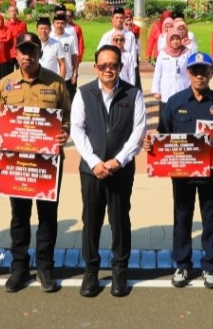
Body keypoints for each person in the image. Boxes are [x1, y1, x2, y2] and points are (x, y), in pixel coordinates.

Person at [0, 32, 72, 294]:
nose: (27, 55)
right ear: (15, 53)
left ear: (39, 53)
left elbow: (68, 119)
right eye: (22, 50)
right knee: (19, 217)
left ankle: (45, 267)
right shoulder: (5, 84)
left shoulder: (56, 84)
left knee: (47, 217)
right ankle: (19, 267)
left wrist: (64, 133)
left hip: (47, 165)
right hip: (15, 164)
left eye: (32, 50)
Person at [149, 51, 213, 289]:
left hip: (212, 174)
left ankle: (210, 265)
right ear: (188, 73)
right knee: (182, 218)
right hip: (182, 174)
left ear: (210, 73)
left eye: (204, 70)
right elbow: (163, 135)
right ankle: (182, 264)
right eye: (194, 71)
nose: (199, 75)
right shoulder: (175, 102)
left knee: (211, 218)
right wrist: (152, 144)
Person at [71, 45, 146, 298]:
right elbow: (77, 130)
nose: (108, 70)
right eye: (103, 66)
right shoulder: (83, 93)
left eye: (113, 65)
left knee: (120, 220)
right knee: (91, 221)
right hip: (91, 171)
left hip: (120, 170)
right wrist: (94, 162)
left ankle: (119, 270)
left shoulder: (132, 94)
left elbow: (138, 132)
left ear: (120, 67)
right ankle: (91, 271)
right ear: (95, 68)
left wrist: (119, 160)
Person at [152, 32, 189, 106]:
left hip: (183, 88)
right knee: (166, 115)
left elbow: (191, 71)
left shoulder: (186, 52)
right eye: (173, 39)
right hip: (166, 91)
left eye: (177, 39)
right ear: (168, 40)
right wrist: (156, 91)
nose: (175, 42)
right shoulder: (163, 53)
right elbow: (157, 73)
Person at [53, 11, 79, 97]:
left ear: (65, 24)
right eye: (57, 23)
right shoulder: (50, 38)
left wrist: (75, 74)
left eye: (62, 23)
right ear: (53, 24)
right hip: (52, 76)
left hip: (68, 77)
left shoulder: (70, 38)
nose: (59, 25)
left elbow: (74, 57)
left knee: (69, 103)